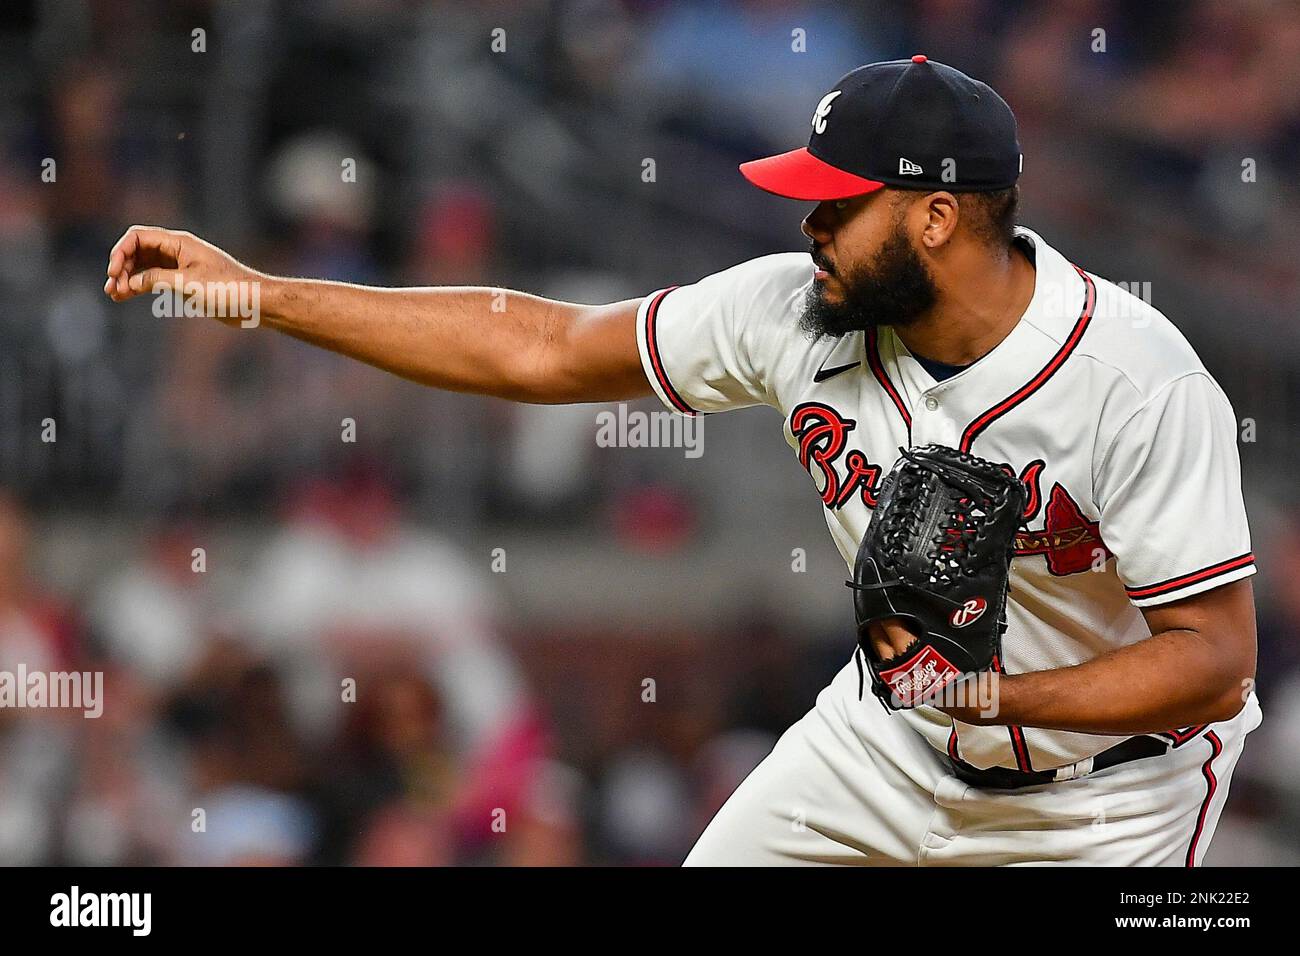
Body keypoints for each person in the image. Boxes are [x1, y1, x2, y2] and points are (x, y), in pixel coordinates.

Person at [104, 57, 1260, 866]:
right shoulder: (792, 312)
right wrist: (259, 294)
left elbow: (1212, 660)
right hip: (888, 744)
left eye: (834, 205)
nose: (805, 227)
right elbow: (540, 346)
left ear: (936, 219)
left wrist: (995, 695)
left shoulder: (1134, 382)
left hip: (1110, 795)